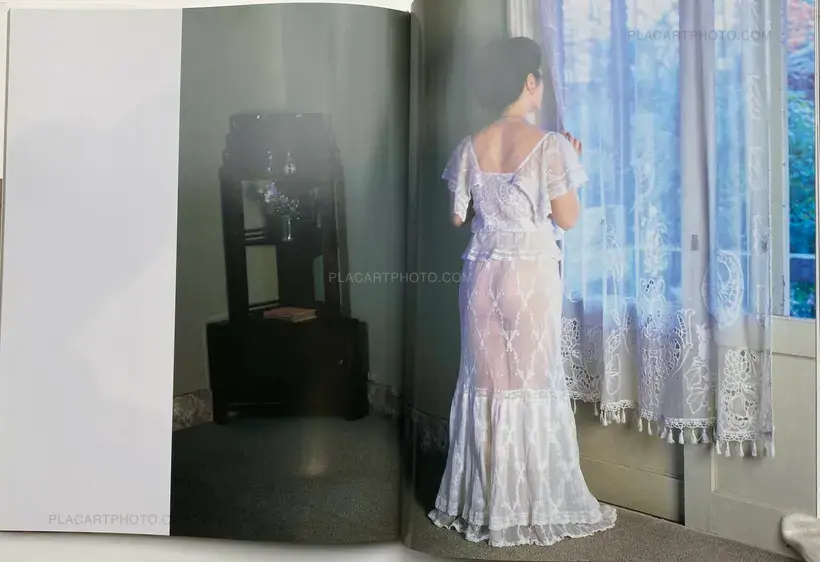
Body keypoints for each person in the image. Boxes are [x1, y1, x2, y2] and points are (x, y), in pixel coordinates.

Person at [428, 36, 617, 547]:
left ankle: (489, 505)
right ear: (529, 82)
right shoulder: (551, 145)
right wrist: (569, 166)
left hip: (480, 276)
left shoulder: (469, 146)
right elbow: (568, 218)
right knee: (531, 388)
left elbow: (457, 217)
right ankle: (532, 504)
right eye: (541, 81)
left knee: (487, 389)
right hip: (529, 278)